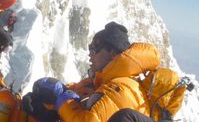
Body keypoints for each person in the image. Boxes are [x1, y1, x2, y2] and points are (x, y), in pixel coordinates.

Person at [22, 22, 165, 122]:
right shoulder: (105, 81)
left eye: (95, 49)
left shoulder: (120, 89)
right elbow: (76, 95)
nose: (90, 54)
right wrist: (50, 100)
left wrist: (60, 96)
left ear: (113, 54)